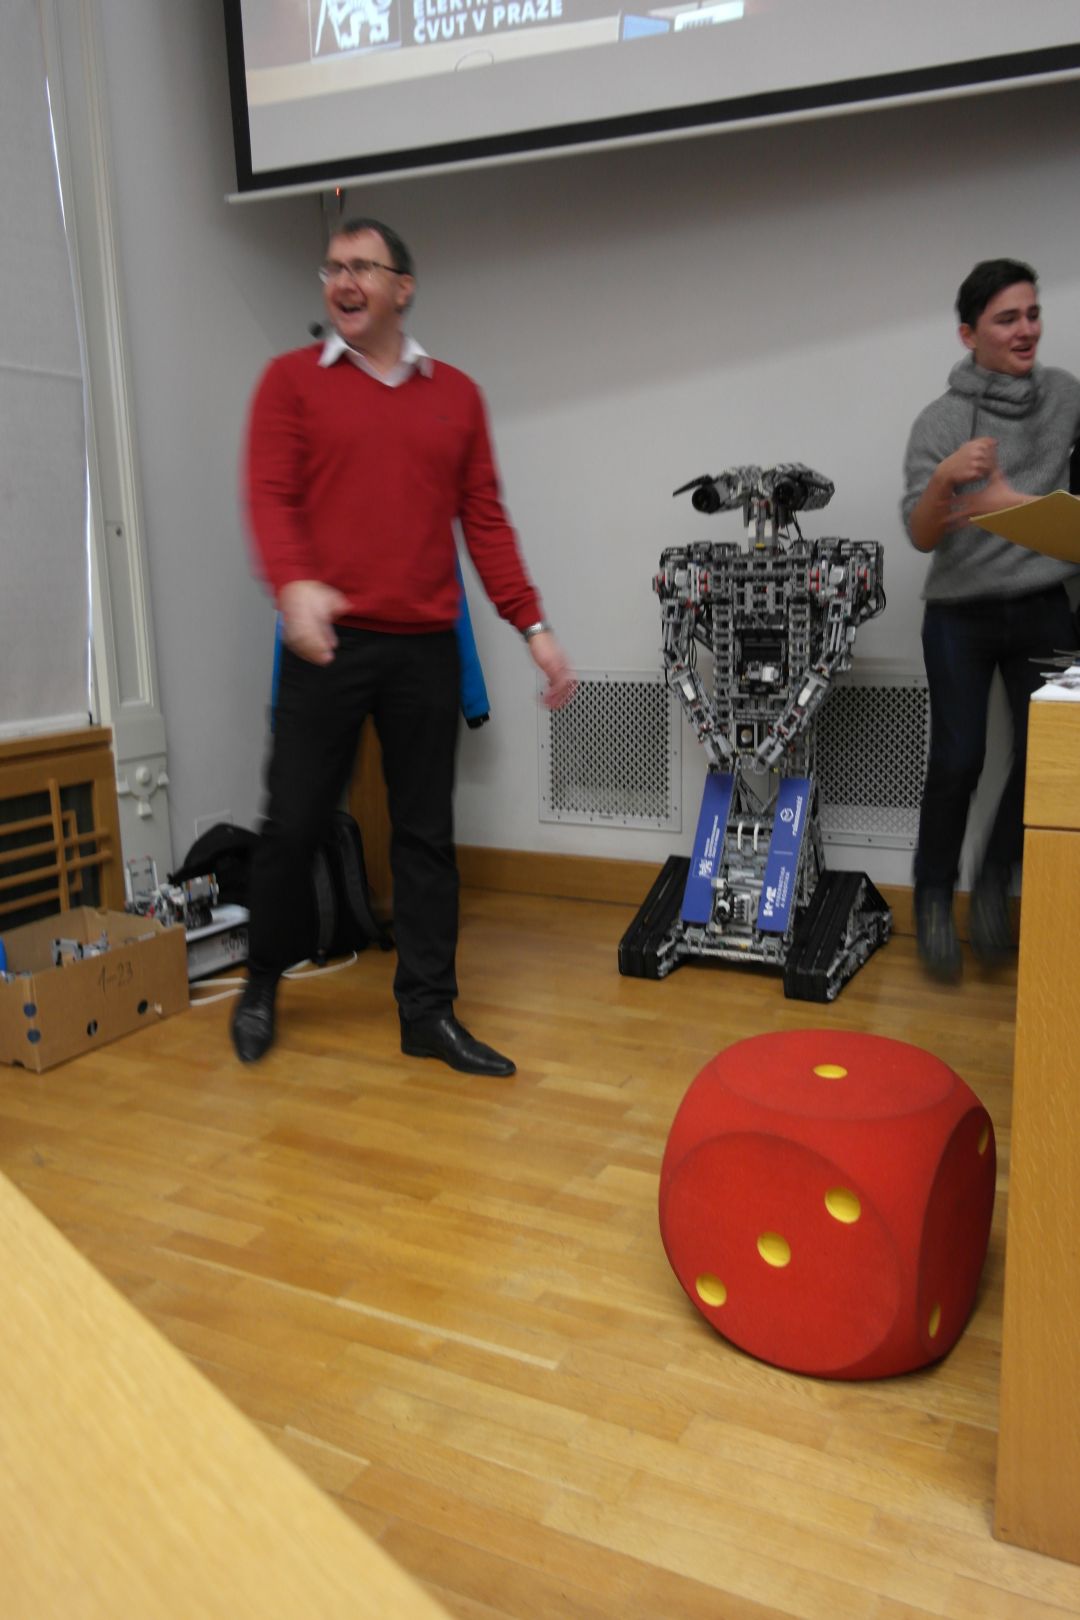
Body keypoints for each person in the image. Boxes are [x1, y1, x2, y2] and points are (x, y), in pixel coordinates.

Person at [233, 217, 576, 1073]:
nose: (343, 282)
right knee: (293, 823)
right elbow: (270, 496)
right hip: (327, 648)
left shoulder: (455, 395)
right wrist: (294, 583)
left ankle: (427, 1011)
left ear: (403, 287)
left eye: (362, 267)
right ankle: (261, 979)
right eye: (332, 268)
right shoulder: (289, 383)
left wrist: (532, 627)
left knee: (425, 837)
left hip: (424, 647)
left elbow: (485, 522)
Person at [902, 258, 1080, 982]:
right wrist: (946, 480)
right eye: (1007, 319)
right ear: (969, 334)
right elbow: (920, 536)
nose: (1026, 329)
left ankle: (996, 883)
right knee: (959, 760)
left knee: (1050, 759)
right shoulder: (939, 422)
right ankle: (932, 896)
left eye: (1032, 314)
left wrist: (1006, 500)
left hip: (1045, 605)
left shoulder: (1066, 398)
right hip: (959, 615)